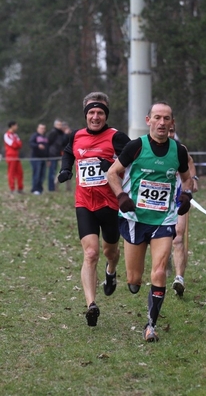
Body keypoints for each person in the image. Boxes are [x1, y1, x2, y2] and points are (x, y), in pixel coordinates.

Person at [107, 101, 193, 342]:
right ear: (149, 121)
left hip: (163, 219)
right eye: (157, 117)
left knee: (159, 271)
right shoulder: (135, 147)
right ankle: (126, 279)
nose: (162, 123)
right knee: (134, 280)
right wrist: (122, 196)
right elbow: (112, 173)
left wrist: (186, 195)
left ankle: (151, 325)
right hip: (134, 219)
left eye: (167, 118)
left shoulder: (178, 151)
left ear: (172, 123)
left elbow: (187, 179)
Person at [57, 91, 130, 327]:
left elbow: (134, 161)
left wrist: (114, 166)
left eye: (99, 112)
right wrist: (66, 169)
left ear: (105, 115)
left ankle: (111, 271)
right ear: (86, 115)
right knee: (90, 253)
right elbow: (69, 152)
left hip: (110, 203)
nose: (95, 116)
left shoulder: (117, 137)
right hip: (84, 203)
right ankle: (91, 305)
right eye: (91, 112)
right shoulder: (76, 136)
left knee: (110, 251)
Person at [168, 125, 199, 297]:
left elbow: (189, 162)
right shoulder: (148, 147)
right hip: (156, 203)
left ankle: (179, 278)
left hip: (178, 199)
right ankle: (164, 262)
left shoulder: (180, 149)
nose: (169, 133)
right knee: (162, 239)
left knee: (178, 237)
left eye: (172, 131)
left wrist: (193, 179)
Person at [3, 121, 24, 193]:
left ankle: (20, 188)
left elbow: (20, 144)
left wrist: (17, 144)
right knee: (11, 173)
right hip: (10, 156)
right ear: (12, 126)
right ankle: (12, 188)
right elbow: (13, 145)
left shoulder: (15, 135)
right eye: (16, 126)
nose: (17, 127)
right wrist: (17, 144)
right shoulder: (7, 135)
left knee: (20, 172)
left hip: (16, 156)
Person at [29, 123, 49, 195]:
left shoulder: (45, 137)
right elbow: (31, 143)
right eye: (41, 128)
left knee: (42, 175)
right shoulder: (34, 136)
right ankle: (35, 189)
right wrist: (38, 145)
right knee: (36, 174)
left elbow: (47, 149)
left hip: (44, 158)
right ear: (37, 128)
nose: (42, 129)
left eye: (43, 128)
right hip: (36, 158)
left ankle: (40, 189)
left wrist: (48, 159)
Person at [47, 119, 65, 191]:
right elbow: (49, 143)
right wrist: (48, 156)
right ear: (55, 125)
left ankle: (55, 186)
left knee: (61, 170)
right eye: (58, 125)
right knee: (52, 172)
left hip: (59, 154)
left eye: (61, 125)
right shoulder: (53, 132)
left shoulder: (61, 133)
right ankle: (51, 188)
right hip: (53, 154)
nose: (60, 126)